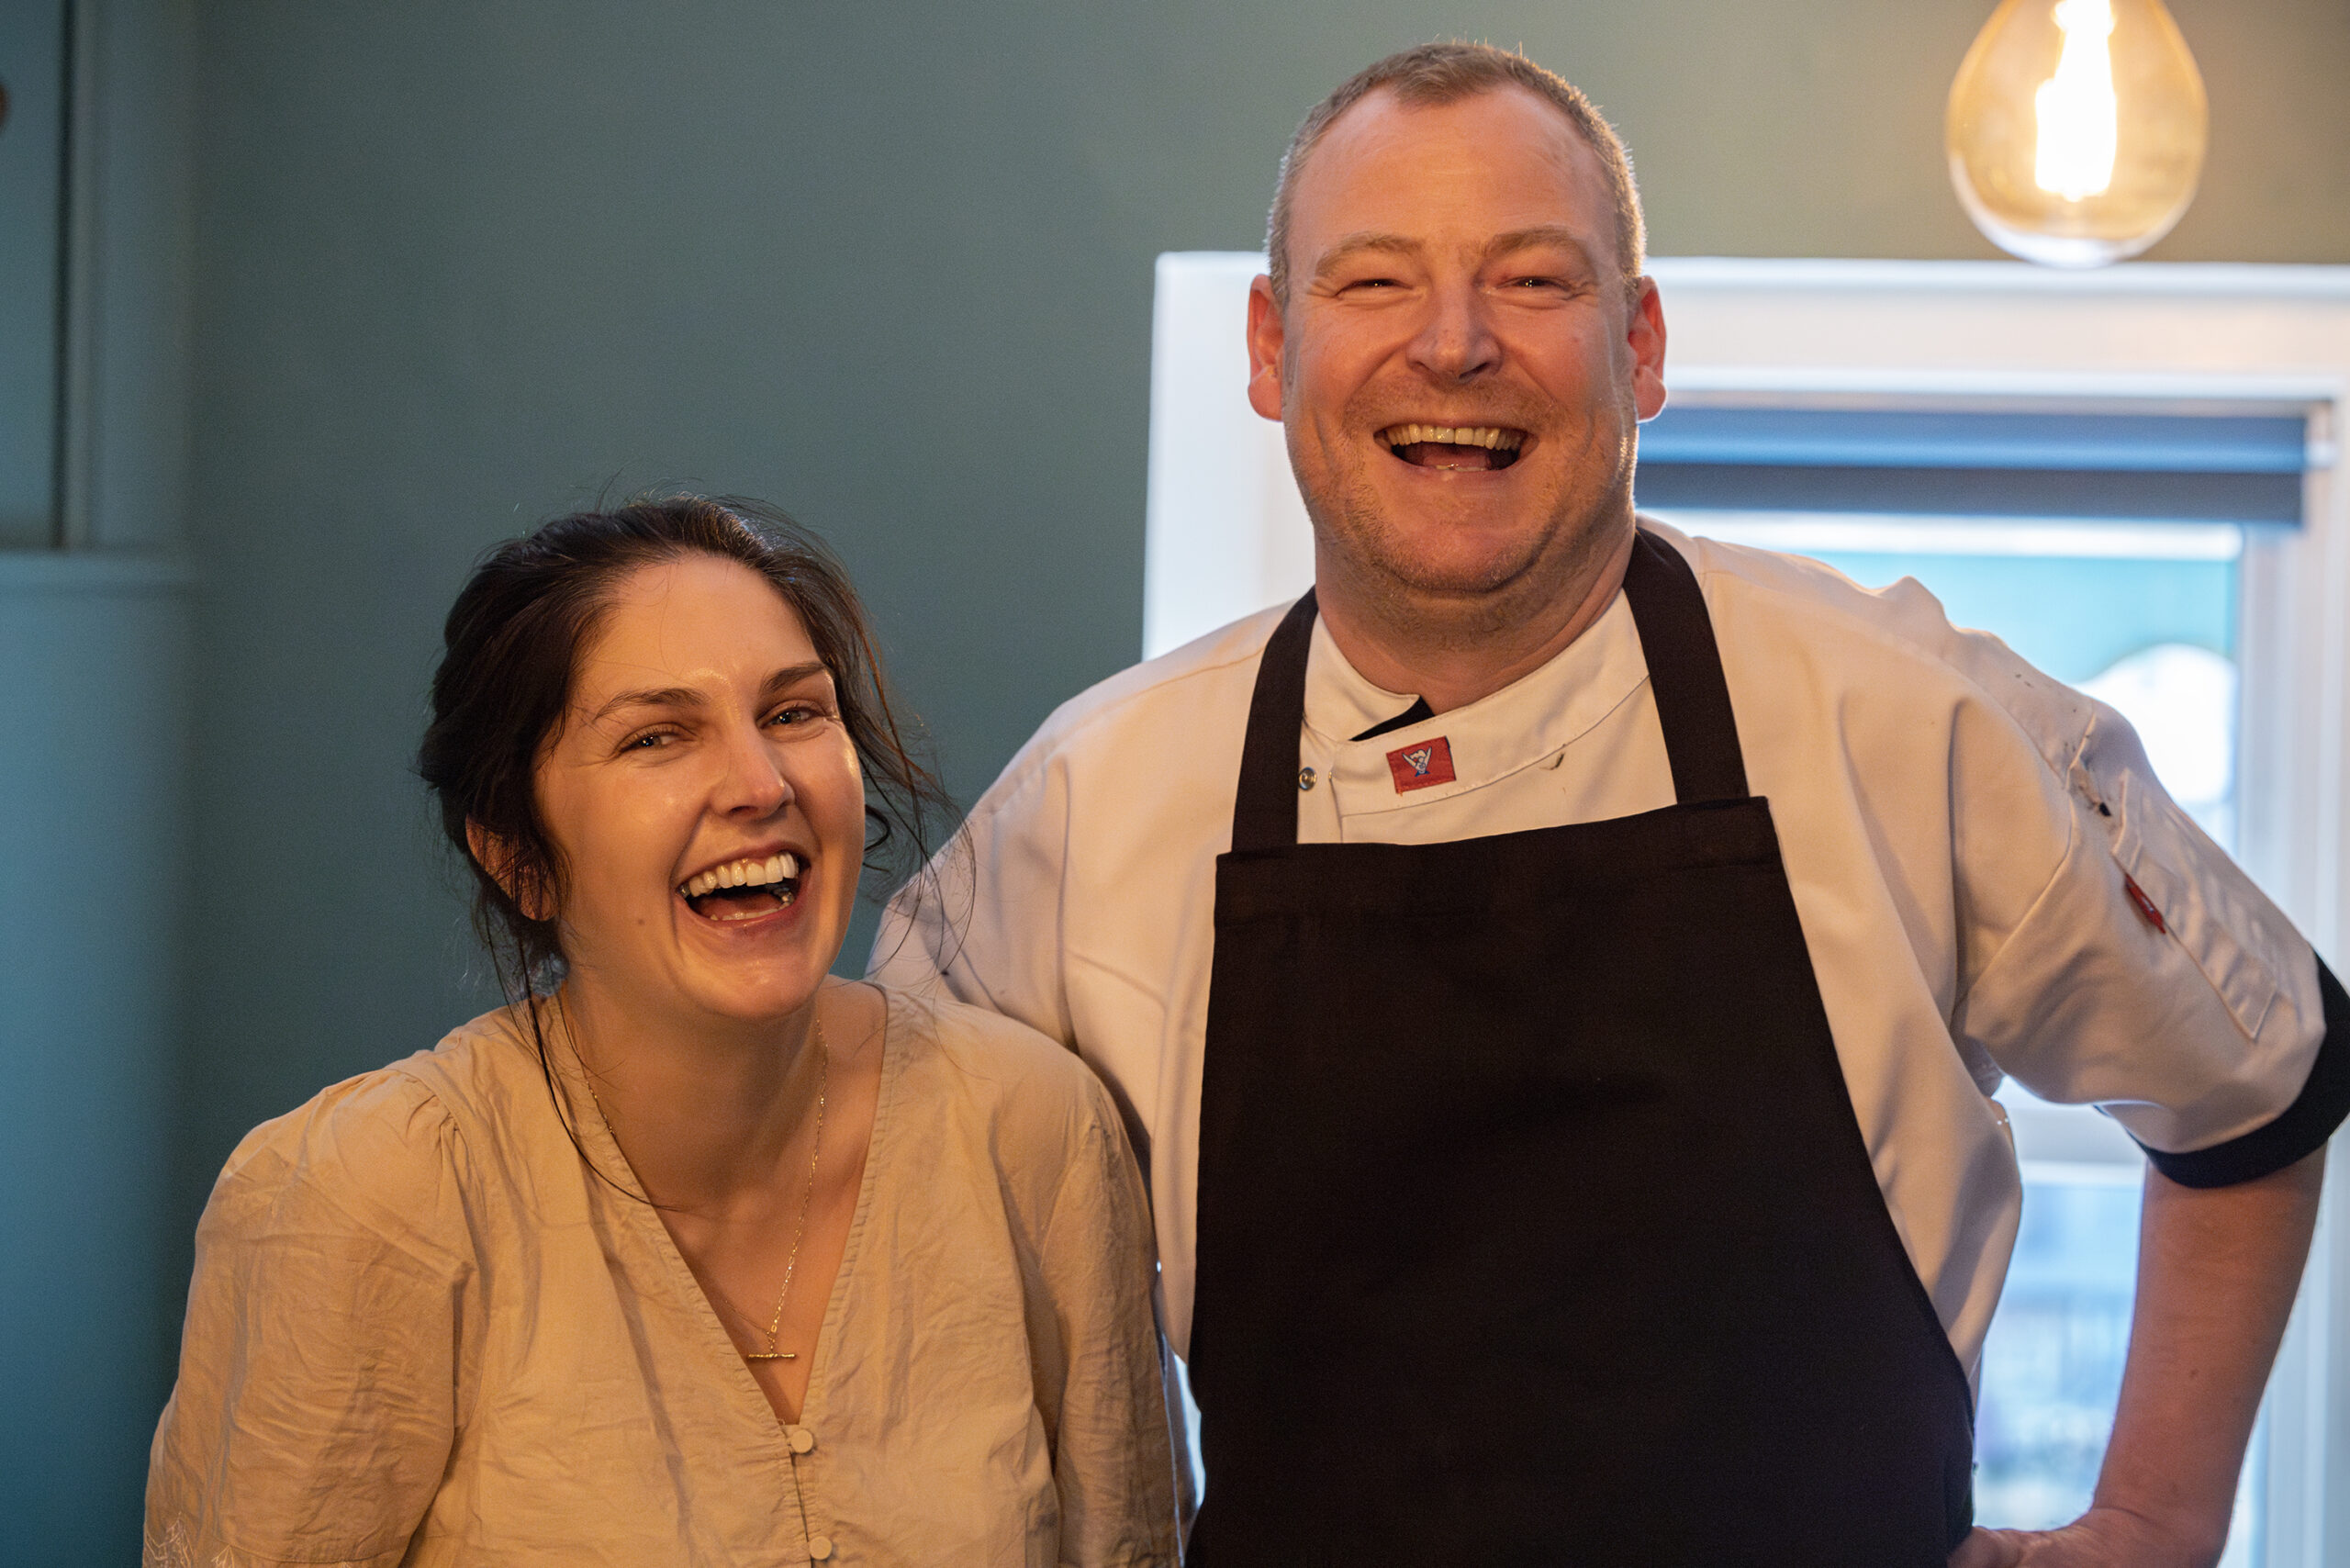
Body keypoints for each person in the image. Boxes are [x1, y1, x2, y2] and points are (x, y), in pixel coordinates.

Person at [872, 42, 2349, 1568]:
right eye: (1373, 282)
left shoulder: (1905, 717)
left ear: (1639, 345)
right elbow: (884, 1223)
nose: (1454, 344)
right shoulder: (1086, 810)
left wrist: (2156, 1522)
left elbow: (2259, 1072)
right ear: (1269, 346)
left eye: (1533, 280)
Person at [148, 496, 1183, 1566]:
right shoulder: (365, 1200)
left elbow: (1133, 1544)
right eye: (656, 736)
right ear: (518, 858)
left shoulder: (1032, 1129)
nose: (760, 785)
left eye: (794, 713)